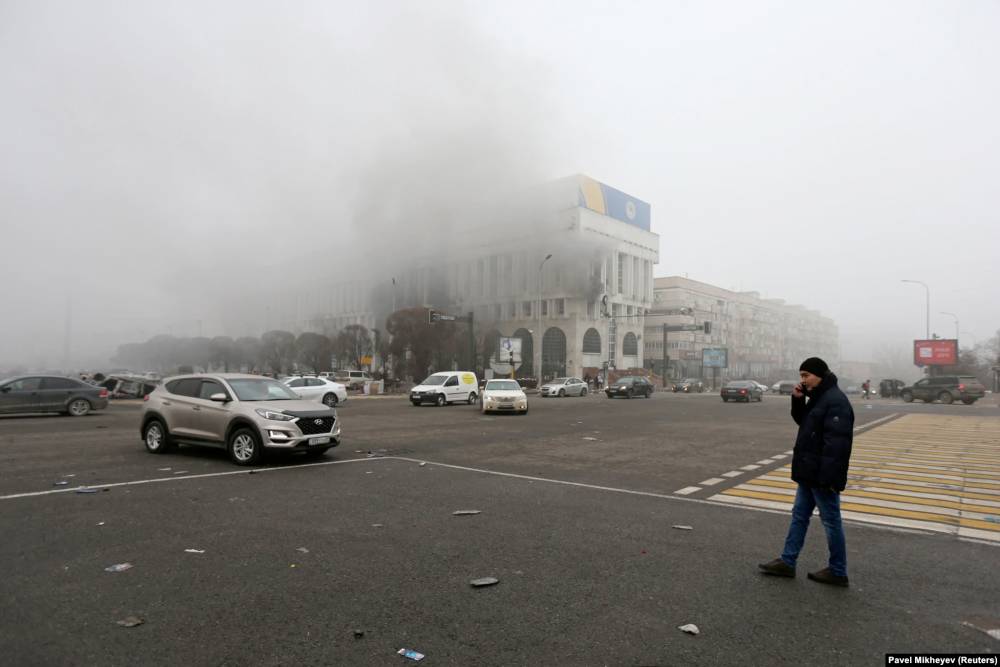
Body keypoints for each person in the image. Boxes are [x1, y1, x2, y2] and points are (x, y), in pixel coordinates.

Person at [758, 357, 854, 587]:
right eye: (801, 375)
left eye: (806, 375)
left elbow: (837, 446)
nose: (803, 380)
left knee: (831, 521)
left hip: (821, 475)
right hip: (809, 472)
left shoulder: (835, 401)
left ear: (819, 375)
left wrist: (828, 478)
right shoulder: (820, 397)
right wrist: (798, 400)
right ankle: (787, 561)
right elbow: (805, 422)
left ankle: (838, 571)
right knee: (799, 516)